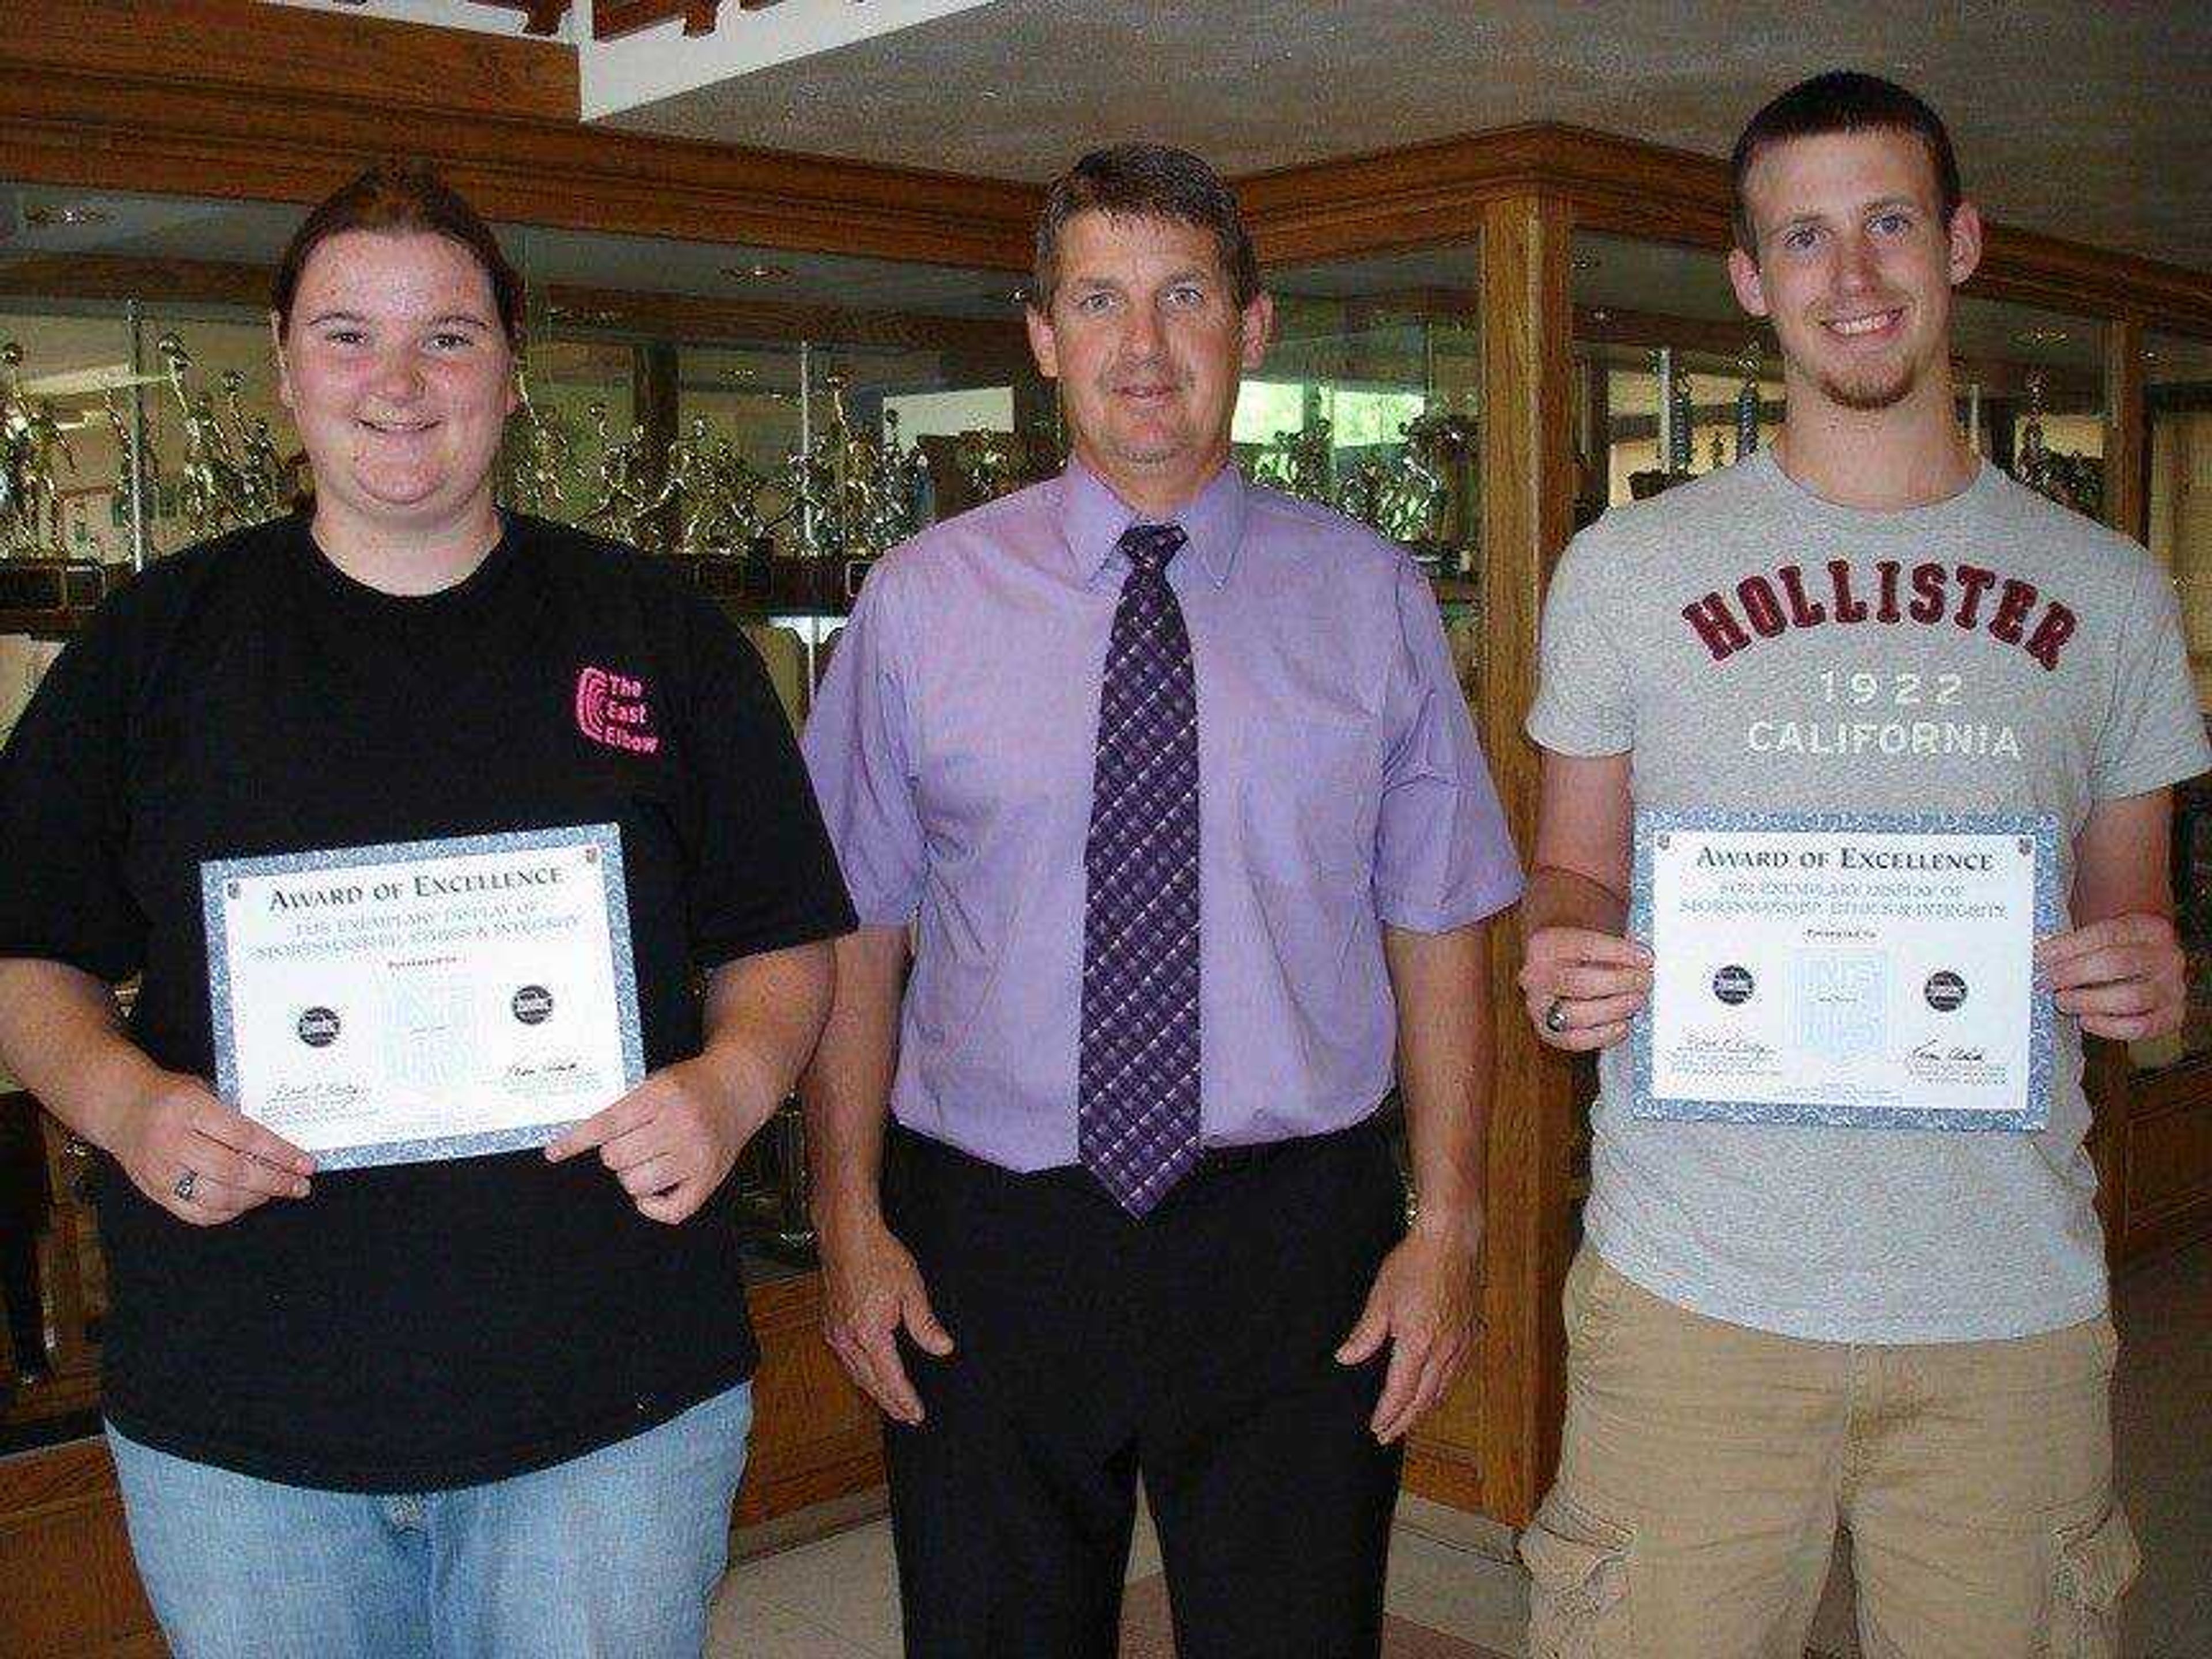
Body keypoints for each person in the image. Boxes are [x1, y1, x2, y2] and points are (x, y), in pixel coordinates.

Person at [0, 161, 854, 1658]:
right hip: (245, 1424)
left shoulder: (660, 640)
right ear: (281, 365)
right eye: (348, 335)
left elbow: (780, 934)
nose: (398, 382)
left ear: (511, 371)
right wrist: (128, 1106)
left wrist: (731, 1087)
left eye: (448, 337)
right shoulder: (154, 650)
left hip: (611, 1409)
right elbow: (29, 956)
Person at [1516, 71, 2209, 1658]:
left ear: (1958, 242)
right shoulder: (1628, 571)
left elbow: (2137, 928)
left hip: (2006, 1311)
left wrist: (2148, 973)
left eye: (1889, 222)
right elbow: (1569, 878)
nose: (1855, 276)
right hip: (1691, 1303)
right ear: (1755, 283)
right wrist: (1562, 958)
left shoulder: (2106, 593)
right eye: (1806, 238)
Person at [798, 142, 1522, 1658]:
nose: (1145, 348)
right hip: (988, 1239)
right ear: (1045, 337)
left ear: (1250, 329)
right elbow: (854, 926)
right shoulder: (921, 603)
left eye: (1185, 297)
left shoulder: (1371, 595)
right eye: (1102, 303)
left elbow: (1439, 914)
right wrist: (848, 1213)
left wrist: (1448, 1222)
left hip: (1292, 1235)